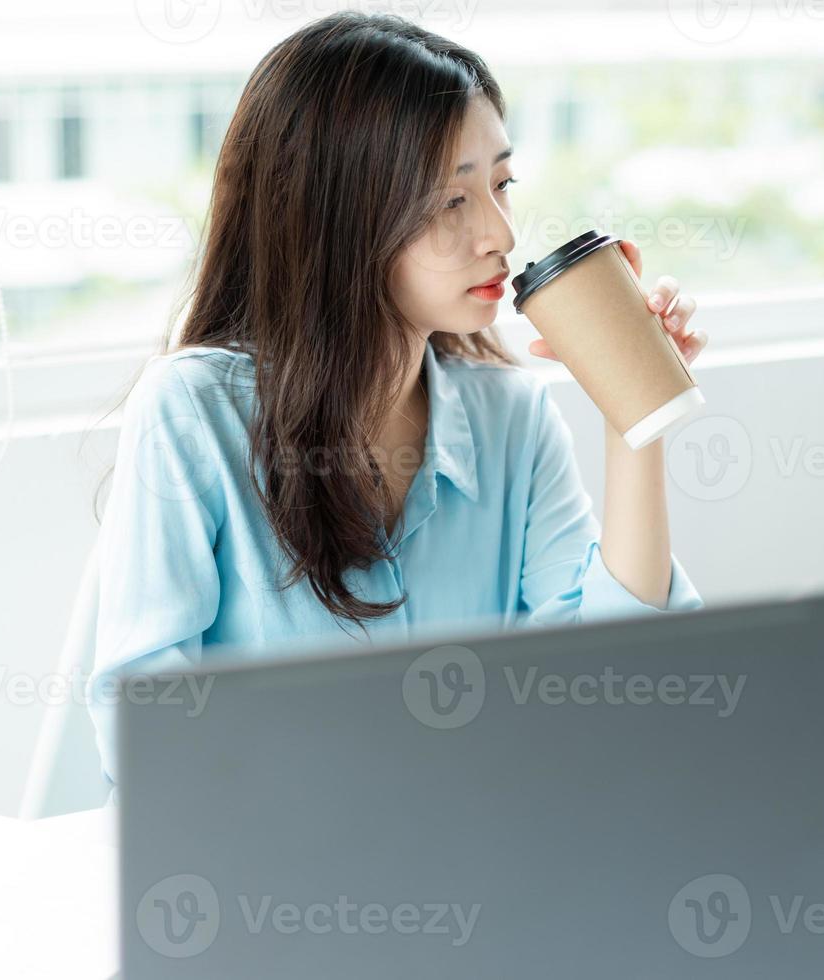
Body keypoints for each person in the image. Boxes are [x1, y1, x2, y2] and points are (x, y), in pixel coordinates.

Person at [87, 11, 708, 787]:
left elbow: (618, 693)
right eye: (452, 201)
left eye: (502, 185)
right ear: (336, 214)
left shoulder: (510, 419)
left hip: (477, 866)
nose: (500, 235)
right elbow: (148, 730)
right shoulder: (194, 411)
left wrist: (633, 414)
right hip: (270, 874)